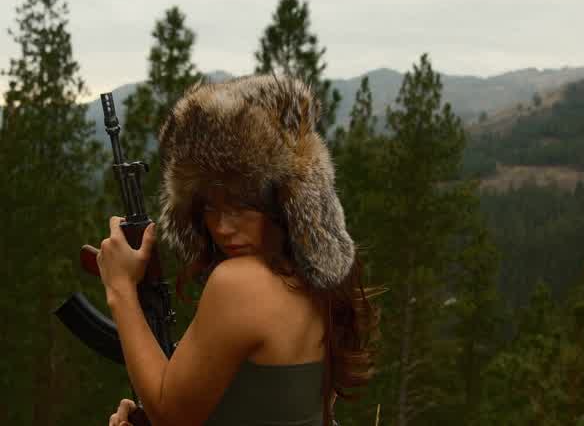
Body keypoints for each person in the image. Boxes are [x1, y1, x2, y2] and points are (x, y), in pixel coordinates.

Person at [99, 74, 386, 426]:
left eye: (241, 206)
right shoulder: (316, 286)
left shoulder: (240, 283)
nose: (221, 227)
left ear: (285, 203)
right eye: (210, 206)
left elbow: (170, 416)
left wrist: (120, 288)